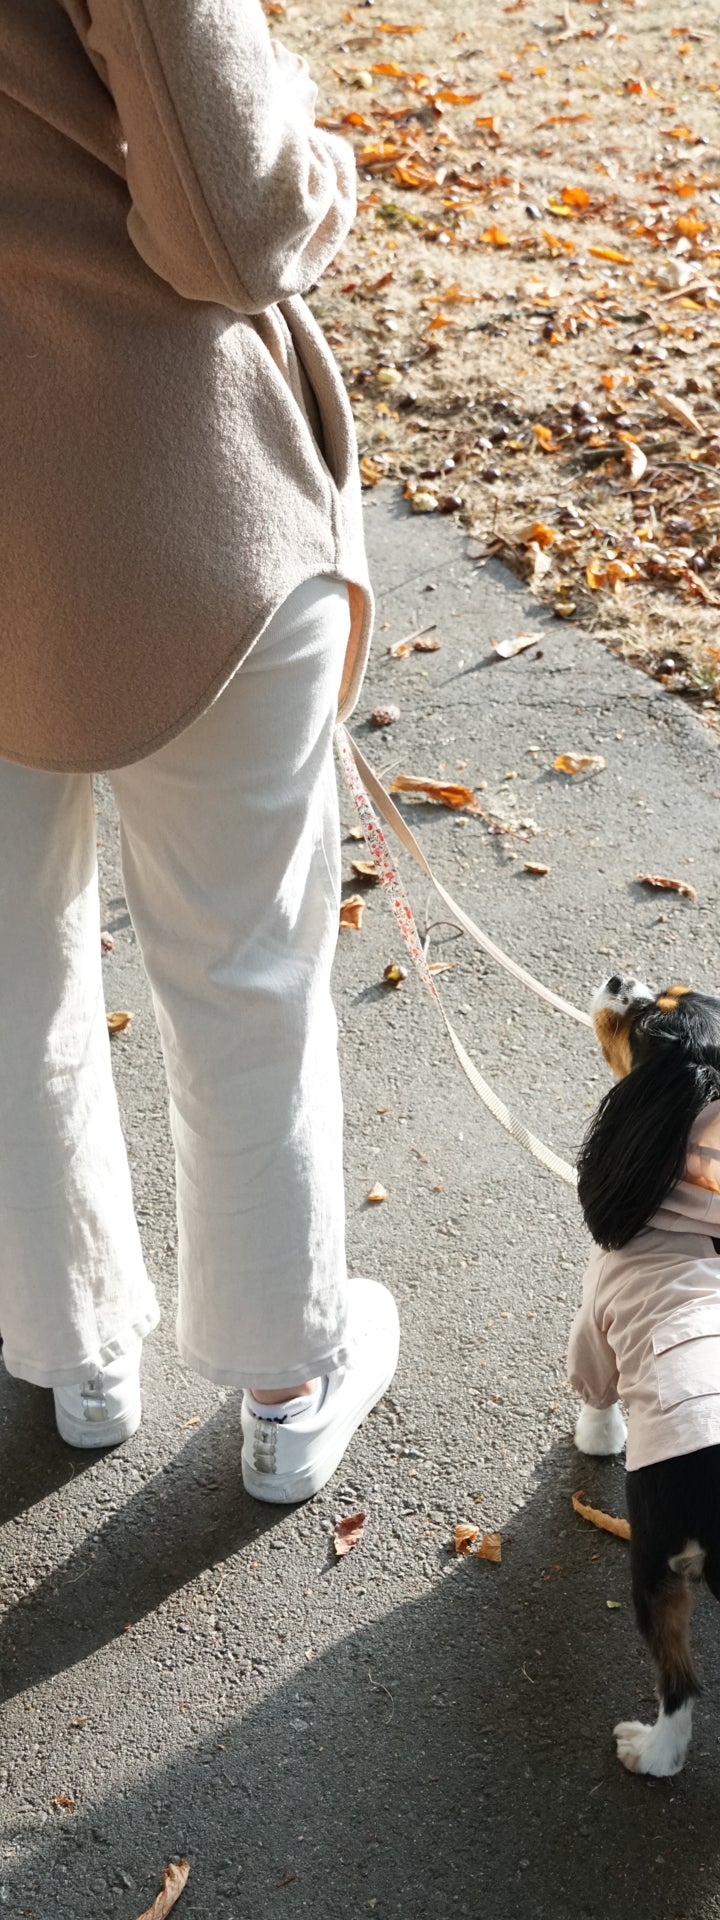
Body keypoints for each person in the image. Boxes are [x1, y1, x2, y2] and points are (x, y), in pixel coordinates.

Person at [0, 0, 398, 1503]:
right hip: (175, 503)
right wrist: (321, 160)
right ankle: (288, 1382)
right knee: (240, 967)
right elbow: (228, 228)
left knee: (4, 972)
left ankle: (70, 1346)